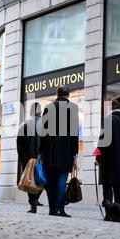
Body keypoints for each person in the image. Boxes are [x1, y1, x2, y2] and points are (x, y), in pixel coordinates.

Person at [39, 86, 79, 217]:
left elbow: (42, 132)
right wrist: (74, 153)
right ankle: (59, 209)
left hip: (49, 152)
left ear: (57, 94)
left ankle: (51, 209)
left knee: (50, 181)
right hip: (66, 152)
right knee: (61, 180)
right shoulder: (72, 108)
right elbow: (74, 133)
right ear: (68, 95)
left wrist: (41, 151)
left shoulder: (48, 107)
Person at [96, 96, 120, 216]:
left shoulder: (107, 119)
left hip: (108, 158)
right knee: (118, 186)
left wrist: (97, 157)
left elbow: (102, 141)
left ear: (111, 107)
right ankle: (119, 213)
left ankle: (109, 214)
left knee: (107, 185)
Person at [17, 102, 44, 213]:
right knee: (41, 179)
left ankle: (33, 203)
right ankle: (36, 199)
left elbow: (19, 144)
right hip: (42, 157)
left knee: (29, 179)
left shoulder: (24, 125)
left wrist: (22, 157)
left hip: (27, 157)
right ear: (40, 111)